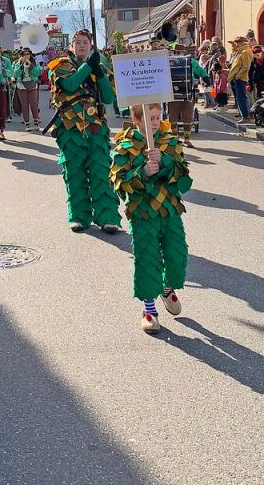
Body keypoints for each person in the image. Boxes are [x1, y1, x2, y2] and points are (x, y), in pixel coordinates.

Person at [110, 103, 192, 334]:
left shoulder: (169, 140)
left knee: (178, 255)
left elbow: (182, 173)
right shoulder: (124, 145)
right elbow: (119, 179)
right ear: (137, 121)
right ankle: (149, 310)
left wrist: (165, 160)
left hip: (169, 208)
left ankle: (166, 288)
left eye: (157, 117)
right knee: (147, 258)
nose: (155, 122)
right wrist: (142, 172)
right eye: (149, 118)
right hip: (142, 211)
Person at [47, 30, 122, 234]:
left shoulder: (99, 66)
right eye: (77, 42)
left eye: (85, 42)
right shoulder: (60, 65)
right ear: (71, 46)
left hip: (96, 127)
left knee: (101, 172)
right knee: (74, 173)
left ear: (90, 45)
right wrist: (87, 66)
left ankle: (107, 217)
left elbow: (108, 98)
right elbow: (70, 86)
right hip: (70, 130)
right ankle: (79, 217)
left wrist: (98, 73)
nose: (81, 45)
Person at [13, 48, 42, 131]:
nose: (26, 56)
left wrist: (31, 66)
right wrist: (22, 66)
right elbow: (15, 74)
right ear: (22, 55)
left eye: (28, 54)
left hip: (32, 84)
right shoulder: (17, 63)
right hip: (22, 86)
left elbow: (37, 73)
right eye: (24, 54)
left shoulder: (34, 62)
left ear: (30, 54)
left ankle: (36, 122)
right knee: (24, 105)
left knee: (34, 104)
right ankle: (27, 124)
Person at [226, 37, 252, 122]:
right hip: (238, 78)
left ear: (242, 43)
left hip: (241, 78)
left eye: (238, 42)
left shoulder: (244, 52)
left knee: (241, 98)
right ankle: (244, 115)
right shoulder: (240, 51)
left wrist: (237, 76)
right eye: (236, 42)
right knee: (240, 97)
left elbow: (245, 66)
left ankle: (245, 116)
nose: (236, 44)